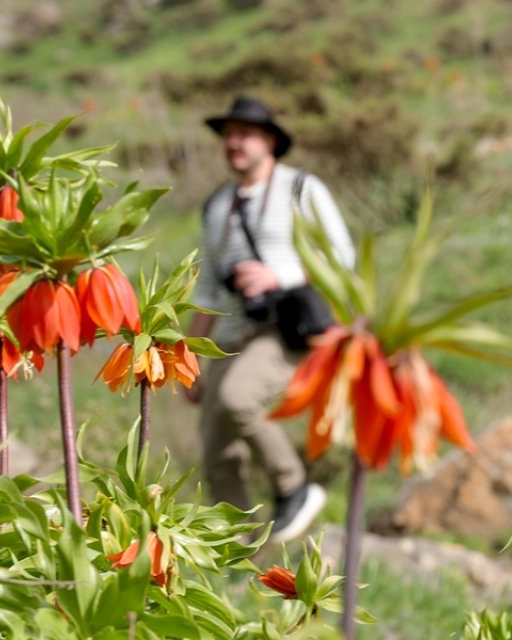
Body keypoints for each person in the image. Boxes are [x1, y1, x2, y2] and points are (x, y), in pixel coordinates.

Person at [186, 96, 355, 543]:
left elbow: (342, 256)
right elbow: (206, 287)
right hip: (231, 330)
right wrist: (185, 357)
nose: (233, 143)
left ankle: (293, 486)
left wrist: (276, 274)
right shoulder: (216, 205)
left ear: (271, 141)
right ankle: (241, 549)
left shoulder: (301, 189)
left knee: (239, 399)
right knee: (216, 451)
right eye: (228, 135)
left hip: (285, 327)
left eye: (244, 134)